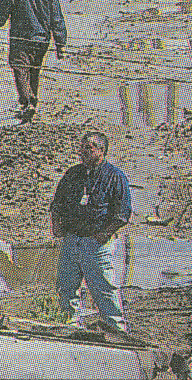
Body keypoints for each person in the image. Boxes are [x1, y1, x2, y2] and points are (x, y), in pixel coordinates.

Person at [50, 131, 132, 335]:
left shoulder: (115, 176)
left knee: (103, 287)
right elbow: (57, 204)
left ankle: (115, 330)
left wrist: (104, 235)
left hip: (96, 242)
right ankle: (69, 325)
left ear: (101, 151)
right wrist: (56, 225)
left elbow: (122, 213)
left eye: (89, 148)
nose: (83, 152)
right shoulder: (73, 174)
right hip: (72, 239)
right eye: (82, 148)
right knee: (66, 285)